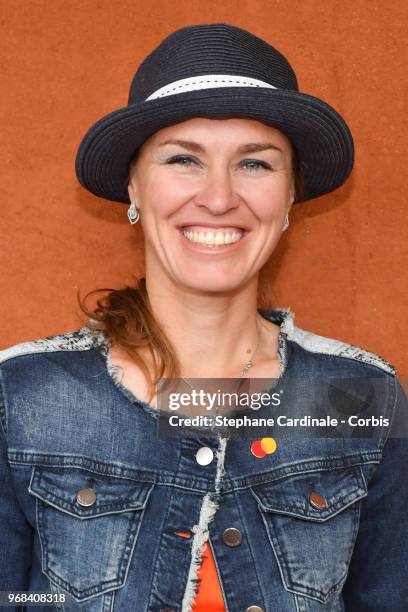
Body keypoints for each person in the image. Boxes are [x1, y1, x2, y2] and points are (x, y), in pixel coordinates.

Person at [0, 22, 407, 612]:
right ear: (133, 187)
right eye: (184, 159)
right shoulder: (24, 397)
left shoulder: (361, 397)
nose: (218, 197)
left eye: (255, 164)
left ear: (290, 197)